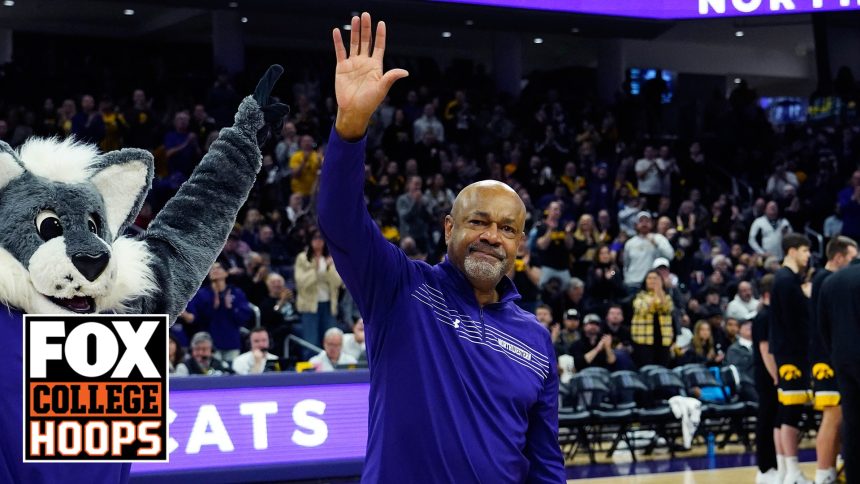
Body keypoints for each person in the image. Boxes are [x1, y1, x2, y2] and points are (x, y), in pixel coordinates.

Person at [317, 13, 564, 482]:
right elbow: (341, 222)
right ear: (449, 227)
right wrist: (350, 127)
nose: (493, 236)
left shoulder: (535, 338)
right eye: (478, 221)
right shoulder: (399, 288)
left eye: (507, 229)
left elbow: (545, 462)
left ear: (519, 243)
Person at [809, 236, 857, 484]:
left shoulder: (826, 281)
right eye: (851, 257)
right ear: (839, 256)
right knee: (833, 415)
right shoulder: (823, 279)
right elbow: (820, 326)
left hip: (836, 355)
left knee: (845, 418)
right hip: (826, 359)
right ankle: (824, 473)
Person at [769, 233, 813, 484]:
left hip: (787, 352)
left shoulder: (784, 279)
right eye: (805, 251)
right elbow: (795, 321)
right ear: (792, 251)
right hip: (792, 354)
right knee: (791, 411)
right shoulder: (786, 280)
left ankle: (786, 470)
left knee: (785, 410)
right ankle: (792, 471)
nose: (808, 256)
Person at [818, 260, 860, 484]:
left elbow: (822, 325)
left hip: (843, 360)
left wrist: (836, 355)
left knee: (852, 422)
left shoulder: (831, 281)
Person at [185, 261, 252, 362]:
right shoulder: (201, 294)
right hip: (209, 345)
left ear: (226, 273)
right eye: (211, 268)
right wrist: (213, 306)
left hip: (232, 342)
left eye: (218, 268)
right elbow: (196, 319)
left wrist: (231, 307)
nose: (215, 270)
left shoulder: (236, 293)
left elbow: (244, 317)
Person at [753, 275, 782, 484]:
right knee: (766, 417)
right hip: (767, 375)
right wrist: (776, 375)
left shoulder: (771, 315)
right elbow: (765, 349)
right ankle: (766, 465)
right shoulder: (764, 317)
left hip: (770, 374)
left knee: (773, 418)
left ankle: (774, 463)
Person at [294, 230, 343, 351]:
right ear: (310, 240)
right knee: (311, 341)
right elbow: (301, 282)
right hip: (310, 306)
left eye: (321, 238)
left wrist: (328, 268)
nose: (318, 241)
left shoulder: (331, 258)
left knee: (330, 339)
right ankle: (311, 368)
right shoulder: (302, 258)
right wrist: (315, 269)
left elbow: (338, 282)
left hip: (329, 304)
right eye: (315, 238)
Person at [631, 270, 675, 367]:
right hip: (644, 340)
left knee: (663, 368)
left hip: (663, 339)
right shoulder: (639, 296)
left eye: (655, 278)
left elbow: (666, 309)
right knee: (647, 368)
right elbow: (645, 309)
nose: (652, 281)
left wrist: (659, 292)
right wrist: (656, 293)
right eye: (649, 278)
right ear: (645, 281)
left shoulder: (667, 297)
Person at [623, 211, 674, 294]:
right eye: (641, 221)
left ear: (652, 224)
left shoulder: (659, 238)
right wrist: (627, 279)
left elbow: (670, 256)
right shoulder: (630, 243)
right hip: (632, 283)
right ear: (636, 225)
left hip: (651, 283)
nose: (644, 224)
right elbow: (626, 265)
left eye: (647, 221)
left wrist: (655, 243)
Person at [724, 318, 758, 402]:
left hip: (761, 381)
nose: (749, 327)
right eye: (745, 325)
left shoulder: (760, 346)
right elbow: (735, 370)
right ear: (739, 329)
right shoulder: (733, 349)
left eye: (751, 325)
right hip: (745, 383)